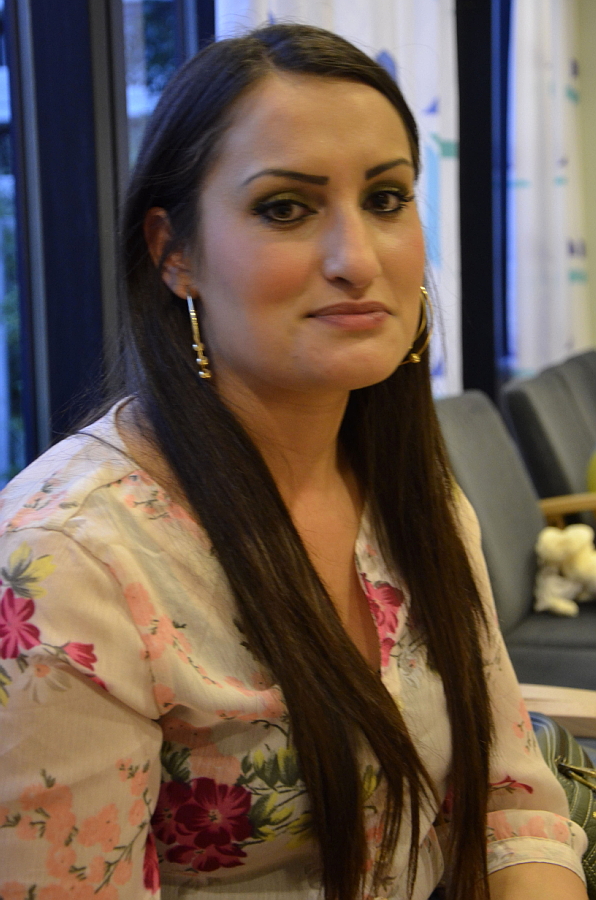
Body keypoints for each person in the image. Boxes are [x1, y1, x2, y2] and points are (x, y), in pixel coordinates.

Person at [0, 23, 589, 900]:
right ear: (174, 253)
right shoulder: (68, 565)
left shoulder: (410, 495)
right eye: (285, 208)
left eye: (386, 198)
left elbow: (508, 802)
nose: (358, 259)